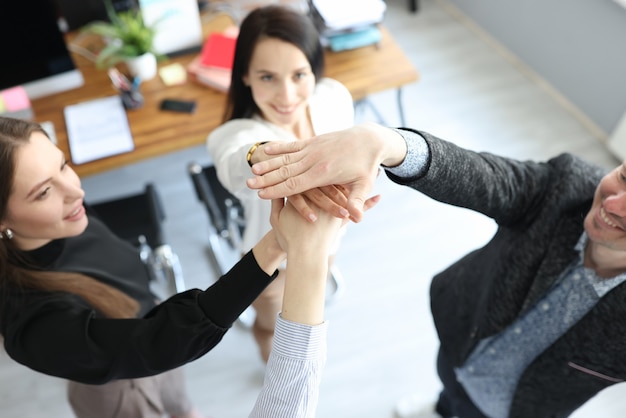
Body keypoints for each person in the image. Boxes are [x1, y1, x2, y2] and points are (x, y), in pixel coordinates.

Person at [247, 121, 626, 418]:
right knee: (449, 387)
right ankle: (442, 407)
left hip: (520, 408)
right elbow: (481, 176)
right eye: (624, 178)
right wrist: (388, 144)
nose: (615, 203)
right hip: (462, 336)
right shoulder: (567, 185)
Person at [0, 116, 354, 418]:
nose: (76, 191)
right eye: (43, 192)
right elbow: (157, 343)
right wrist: (275, 245)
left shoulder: (65, 218)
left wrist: (277, 241)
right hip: (122, 386)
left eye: (62, 165)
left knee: (179, 399)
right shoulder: (33, 326)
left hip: (152, 325)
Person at [206, 4, 354, 362]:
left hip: (329, 242)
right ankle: (270, 366)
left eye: (299, 75)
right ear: (244, 75)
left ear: (314, 70)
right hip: (272, 264)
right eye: (268, 77)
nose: (287, 96)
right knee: (272, 327)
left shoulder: (334, 97)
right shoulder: (235, 133)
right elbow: (233, 163)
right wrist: (260, 155)